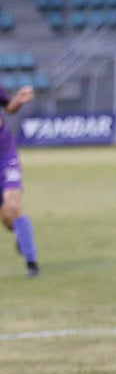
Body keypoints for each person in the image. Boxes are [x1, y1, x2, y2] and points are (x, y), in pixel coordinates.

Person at [0, 81, 39, 277]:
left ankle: (32, 263)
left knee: (14, 205)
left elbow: (9, 107)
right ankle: (19, 232)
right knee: (7, 219)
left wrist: (19, 100)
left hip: (5, 156)